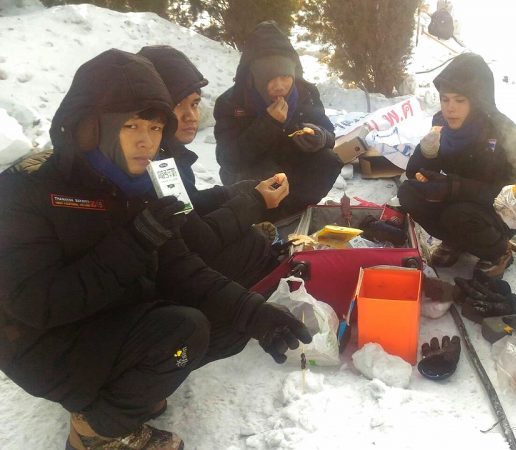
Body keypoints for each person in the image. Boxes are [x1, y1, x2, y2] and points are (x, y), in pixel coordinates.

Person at [0, 49, 311, 450]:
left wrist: (256, 314)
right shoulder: (28, 190)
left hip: (106, 313)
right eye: (130, 126)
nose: (146, 141)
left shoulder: (140, 183)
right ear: (88, 127)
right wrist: (135, 242)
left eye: (153, 126)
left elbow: (182, 265)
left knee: (226, 324)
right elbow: (34, 304)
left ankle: (131, 388)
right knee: (183, 331)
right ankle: (95, 431)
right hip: (38, 343)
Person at [139, 45, 287, 288]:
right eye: (178, 105)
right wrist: (255, 201)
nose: (191, 116)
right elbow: (197, 241)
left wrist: (233, 192)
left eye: (195, 104)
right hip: (161, 280)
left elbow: (187, 205)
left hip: (169, 262)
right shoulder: (153, 162)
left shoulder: (167, 151)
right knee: (252, 242)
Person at [398, 53, 516, 279]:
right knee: (409, 192)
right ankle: (456, 241)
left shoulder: (504, 134)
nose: (450, 108)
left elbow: (515, 195)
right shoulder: (442, 123)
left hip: (501, 211)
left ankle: (499, 252)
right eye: (444, 99)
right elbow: (413, 173)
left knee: (457, 214)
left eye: (459, 100)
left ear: (477, 101)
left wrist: (453, 187)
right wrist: (426, 153)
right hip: (460, 200)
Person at [214, 21, 342, 216]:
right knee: (264, 173)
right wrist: (268, 124)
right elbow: (229, 160)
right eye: (271, 78)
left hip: (292, 169)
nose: (280, 86)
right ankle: (262, 216)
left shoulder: (305, 94)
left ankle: (294, 213)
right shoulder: (232, 103)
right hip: (251, 174)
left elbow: (330, 136)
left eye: (285, 76)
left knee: (329, 160)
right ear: (254, 77)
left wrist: (320, 137)